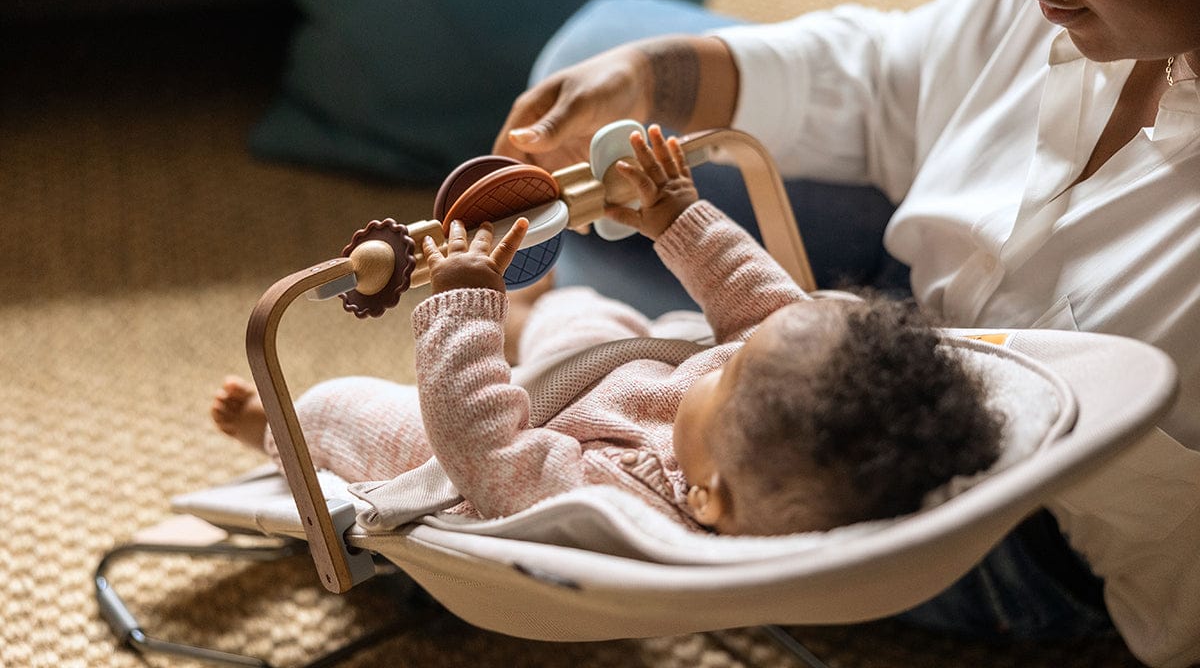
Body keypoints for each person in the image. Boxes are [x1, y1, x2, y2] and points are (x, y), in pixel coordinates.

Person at [490, 0, 1200, 664]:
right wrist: (659, 78)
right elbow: (894, 73)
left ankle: (549, 332)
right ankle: (570, 314)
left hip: (1014, 510)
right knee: (599, 54)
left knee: (598, 424)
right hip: (919, 312)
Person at [213, 125, 1001, 537]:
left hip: (488, 436)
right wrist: (677, 217)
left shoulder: (611, 505)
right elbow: (767, 314)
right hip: (611, 369)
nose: (720, 362)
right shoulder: (753, 434)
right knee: (590, 314)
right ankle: (529, 315)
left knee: (349, 409)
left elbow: (489, 453)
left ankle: (280, 435)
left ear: (707, 495)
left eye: (726, 376)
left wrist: (462, 309)